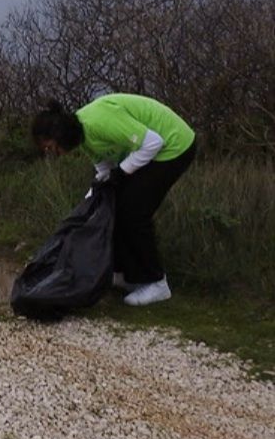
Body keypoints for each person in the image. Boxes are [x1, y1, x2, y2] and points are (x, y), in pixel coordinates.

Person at [31, 94, 196, 307]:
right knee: (111, 207)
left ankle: (156, 282)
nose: (52, 153)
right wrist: (92, 198)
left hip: (174, 145)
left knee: (134, 212)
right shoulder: (83, 138)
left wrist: (122, 172)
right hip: (151, 149)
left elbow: (153, 142)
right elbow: (103, 169)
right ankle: (125, 274)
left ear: (59, 134)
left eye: (51, 147)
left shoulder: (99, 122)